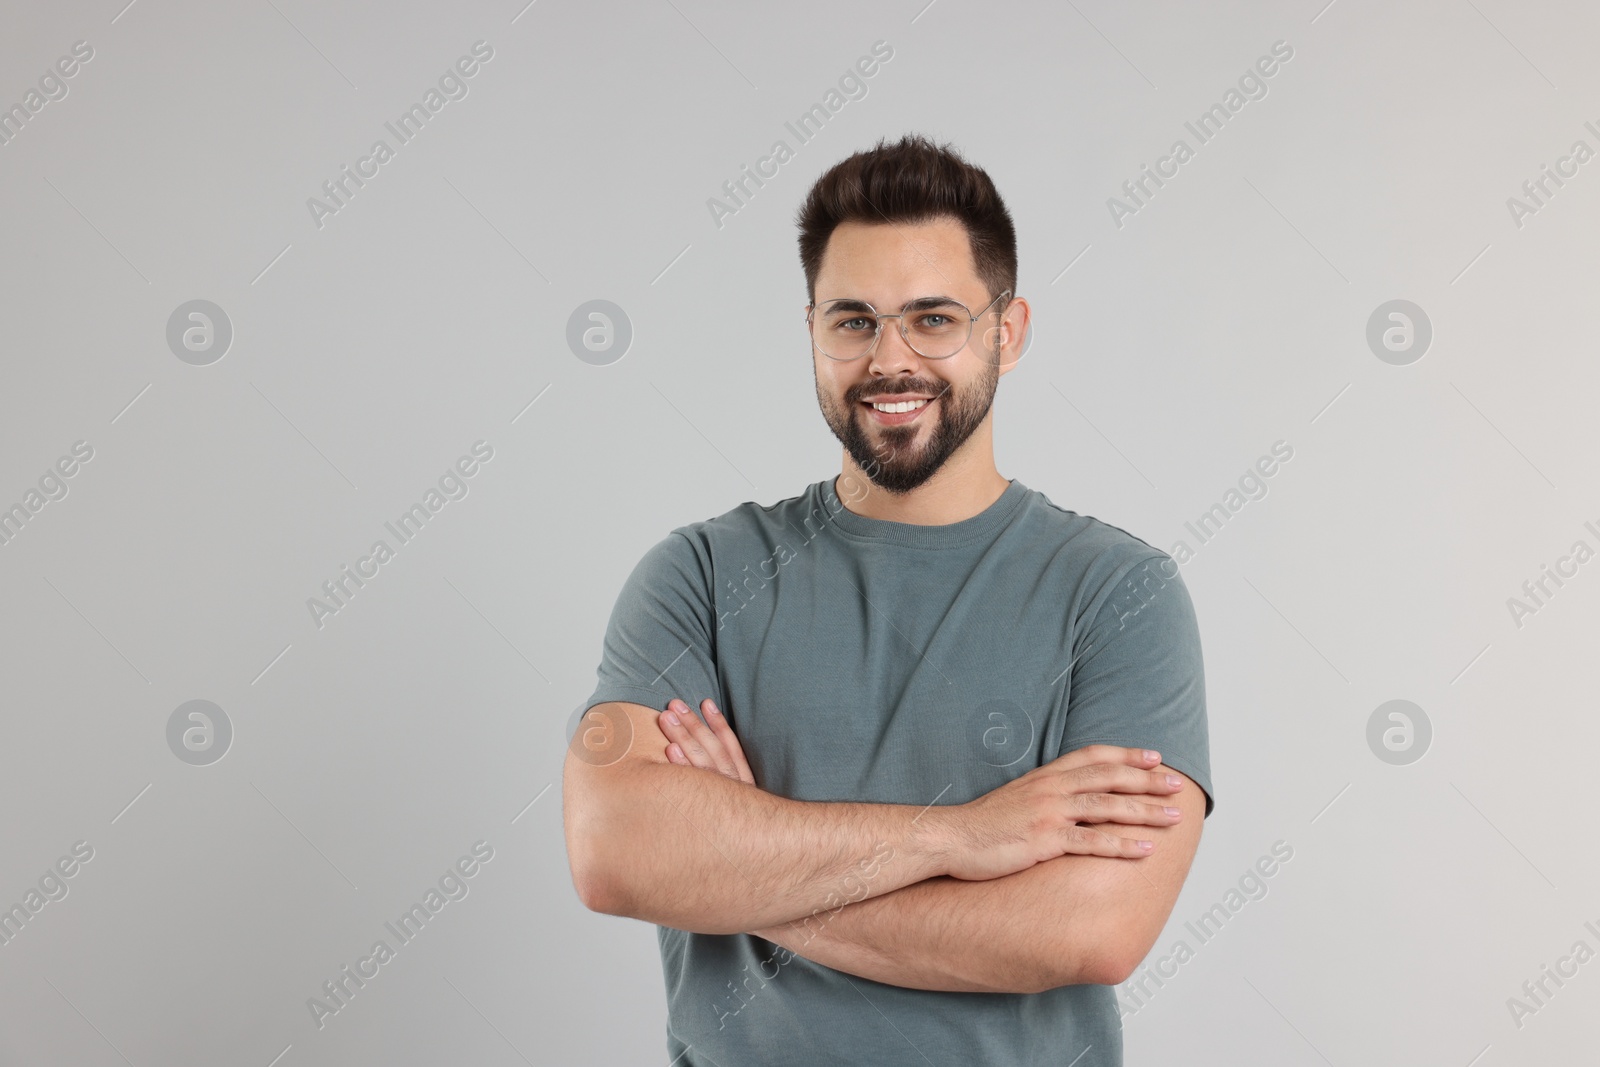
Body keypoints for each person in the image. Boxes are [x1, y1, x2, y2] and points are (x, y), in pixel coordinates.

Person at [562, 132, 1214, 1067]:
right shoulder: (700, 575)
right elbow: (616, 849)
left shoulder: (1117, 593)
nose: (889, 360)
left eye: (935, 318)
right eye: (854, 320)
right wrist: (960, 836)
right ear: (814, 331)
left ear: (1008, 331)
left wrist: (743, 864)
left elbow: (1087, 931)